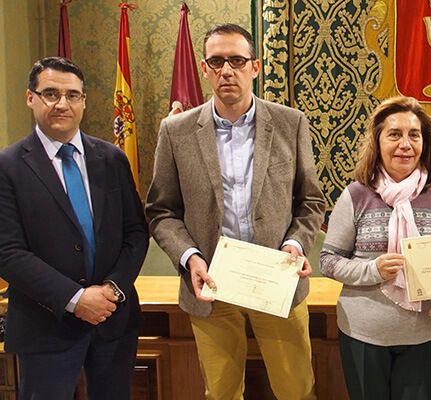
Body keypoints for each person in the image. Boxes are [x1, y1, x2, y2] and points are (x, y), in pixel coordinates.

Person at [145, 24, 325, 399]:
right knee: (221, 393)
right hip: (211, 284)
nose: (227, 70)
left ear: (255, 67)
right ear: (204, 68)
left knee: (297, 390)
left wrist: (295, 244)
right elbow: (161, 211)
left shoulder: (290, 123)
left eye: (237, 60)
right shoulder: (175, 131)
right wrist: (189, 257)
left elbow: (310, 202)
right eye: (217, 61)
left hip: (276, 281)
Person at [0, 57, 148, 399]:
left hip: (114, 320)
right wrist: (75, 299)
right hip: (45, 323)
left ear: (83, 101)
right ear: (30, 97)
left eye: (72, 95)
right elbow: (7, 251)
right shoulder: (8, 167)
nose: (62, 104)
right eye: (50, 93)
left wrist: (112, 288)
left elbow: (136, 232)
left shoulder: (111, 159)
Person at [320, 96, 431, 400]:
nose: (405, 144)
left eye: (414, 134)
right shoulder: (356, 195)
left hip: (423, 332)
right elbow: (328, 261)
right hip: (363, 333)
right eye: (394, 134)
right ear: (378, 141)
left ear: (425, 142)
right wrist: (373, 270)